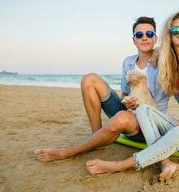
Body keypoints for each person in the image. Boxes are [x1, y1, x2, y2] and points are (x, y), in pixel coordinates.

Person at [85, 10, 179, 182]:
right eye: (175, 29)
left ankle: (119, 165)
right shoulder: (172, 64)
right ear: (169, 33)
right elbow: (158, 51)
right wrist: (156, 52)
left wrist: (174, 132)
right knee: (144, 110)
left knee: (177, 134)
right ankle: (167, 163)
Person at [34, 17, 169, 162]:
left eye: (149, 34)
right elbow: (124, 93)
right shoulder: (128, 62)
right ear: (134, 39)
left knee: (122, 117)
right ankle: (96, 137)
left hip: (147, 123)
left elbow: (175, 49)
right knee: (89, 79)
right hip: (127, 112)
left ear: (155, 38)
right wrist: (127, 102)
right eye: (139, 35)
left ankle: (68, 152)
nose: (144, 38)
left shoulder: (164, 61)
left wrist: (159, 51)